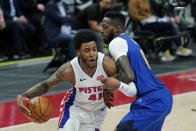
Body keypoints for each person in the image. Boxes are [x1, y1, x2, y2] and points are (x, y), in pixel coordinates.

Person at [16, 30, 117, 131]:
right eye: (87, 50)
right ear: (78, 52)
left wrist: (108, 91)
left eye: (94, 50)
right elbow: (46, 85)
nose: (92, 54)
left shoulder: (107, 64)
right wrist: (24, 96)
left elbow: (124, 76)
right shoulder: (69, 70)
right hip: (75, 109)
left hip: (96, 113)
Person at [101, 11, 173, 131]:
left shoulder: (116, 42)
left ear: (117, 28)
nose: (102, 31)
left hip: (151, 102)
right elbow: (132, 86)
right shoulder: (129, 41)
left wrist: (107, 89)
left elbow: (128, 75)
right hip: (161, 98)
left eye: (105, 27)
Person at [128, 0, 192, 62]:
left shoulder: (145, 1)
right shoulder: (133, 1)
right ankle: (178, 47)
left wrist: (152, 17)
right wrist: (147, 18)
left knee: (168, 29)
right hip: (143, 24)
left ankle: (166, 52)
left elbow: (149, 12)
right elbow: (134, 16)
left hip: (151, 21)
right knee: (169, 25)